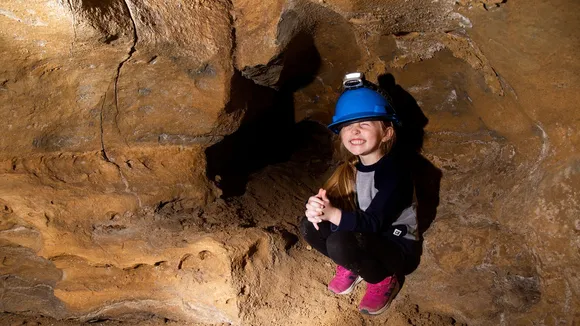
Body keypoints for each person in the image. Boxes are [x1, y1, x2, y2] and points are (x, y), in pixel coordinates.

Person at [300, 72, 420, 315]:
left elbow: (375, 222)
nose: (355, 131)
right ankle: (352, 265)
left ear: (387, 132)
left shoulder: (394, 172)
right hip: (365, 235)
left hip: (396, 247)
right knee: (307, 226)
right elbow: (337, 207)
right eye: (347, 126)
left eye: (364, 124)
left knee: (339, 241)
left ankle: (382, 279)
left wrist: (333, 215)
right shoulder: (351, 169)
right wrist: (317, 208)